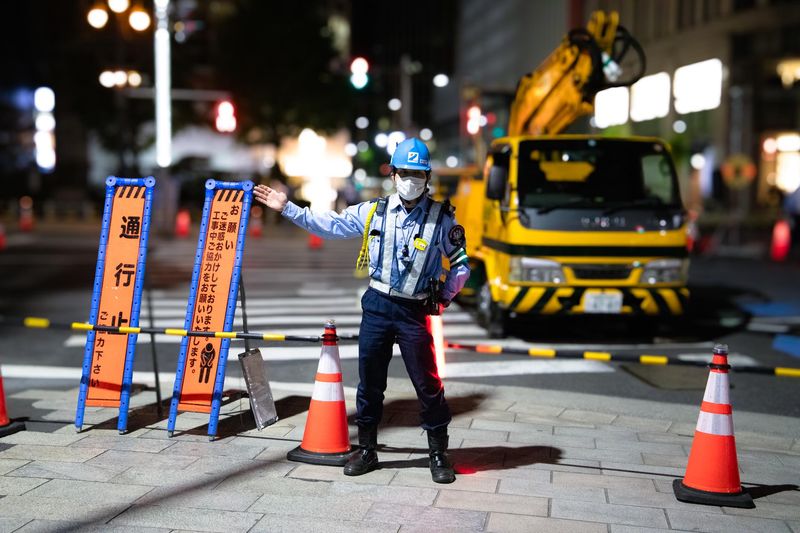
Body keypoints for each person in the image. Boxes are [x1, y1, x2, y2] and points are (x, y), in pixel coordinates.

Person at [254, 137, 470, 483]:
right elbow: (331, 225)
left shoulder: (441, 219)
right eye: (404, 172)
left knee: (428, 385)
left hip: (414, 312)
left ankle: (438, 454)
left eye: (417, 173)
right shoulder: (374, 210)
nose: (410, 179)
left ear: (427, 177)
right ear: (393, 173)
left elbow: (460, 264)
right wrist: (288, 208)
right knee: (370, 384)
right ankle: (367, 450)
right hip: (378, 306)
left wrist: (443, 298)